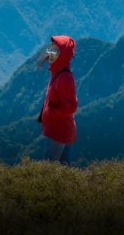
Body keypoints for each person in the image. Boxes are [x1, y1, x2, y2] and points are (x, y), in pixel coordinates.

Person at [37, 35, 78, 165]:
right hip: (60, 130)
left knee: (47, 171)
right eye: (50, 50)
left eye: (55, 51)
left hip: (58, 131)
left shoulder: (65, 77)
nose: (50, 54)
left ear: (64, 54)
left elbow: (71, 106)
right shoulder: (57, 73)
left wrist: (51, 113)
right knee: (63, 171)